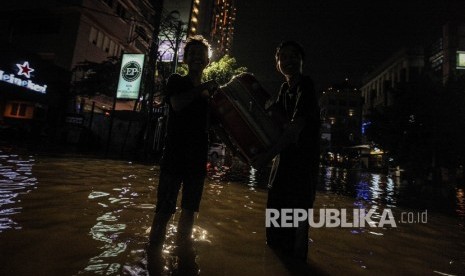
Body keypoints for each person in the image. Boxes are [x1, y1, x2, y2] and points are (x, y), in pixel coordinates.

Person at [148, 35, 218, 250]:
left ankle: (182, 255)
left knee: (189, 211)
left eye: (201, 55)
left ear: (207, 61)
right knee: (164, 210)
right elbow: (177, 104)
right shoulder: (177, 81)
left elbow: (214, 125)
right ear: (185, 59)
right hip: (174, 156)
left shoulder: (211, 95)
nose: (197, 58)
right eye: (193, 54)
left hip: (197, 158)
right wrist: (203, 89)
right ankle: (152, 255)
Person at [254, 41, 320, 261]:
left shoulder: (306, 86)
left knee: (297, 228)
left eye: (294, 56)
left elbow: (293, 130)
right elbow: (276, 127)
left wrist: (265, 157)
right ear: (277, 63)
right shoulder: (283, 89)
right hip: (282, 166)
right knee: (274, 230)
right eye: (283, 57)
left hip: (303, 168)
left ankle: (299, 265)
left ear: (302, 61)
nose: (288, 60)